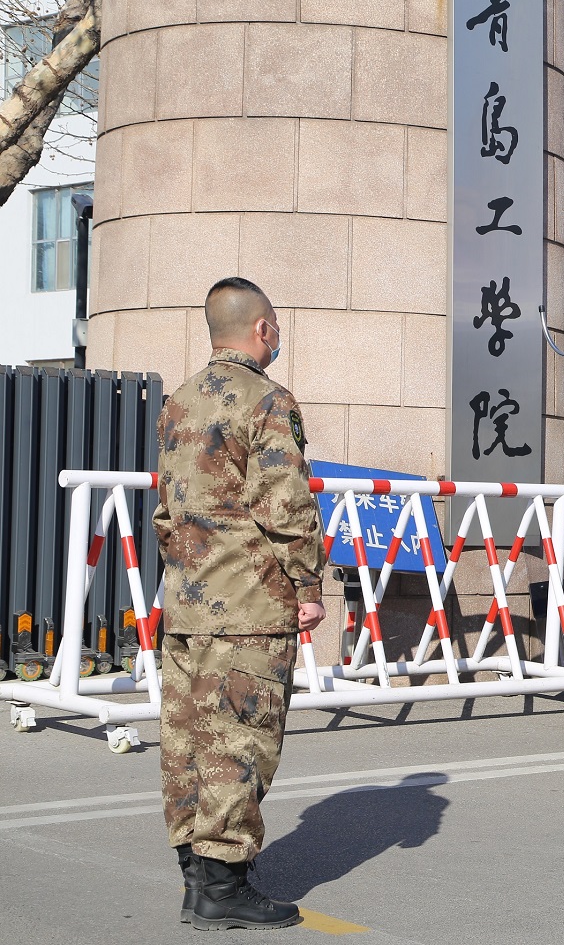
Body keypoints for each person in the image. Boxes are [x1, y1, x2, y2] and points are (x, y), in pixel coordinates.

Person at [152, 276, 327, 930]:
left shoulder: (181, 401)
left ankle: (200, 878)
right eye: (275, 327)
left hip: (189, 603)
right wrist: (308, 586)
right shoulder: (267, 400)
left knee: (191, 739)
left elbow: (168, 507)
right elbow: (286, 505)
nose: (277, 337)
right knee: (240, 738)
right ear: (262, 329)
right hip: (250, 604)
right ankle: (223, 882)